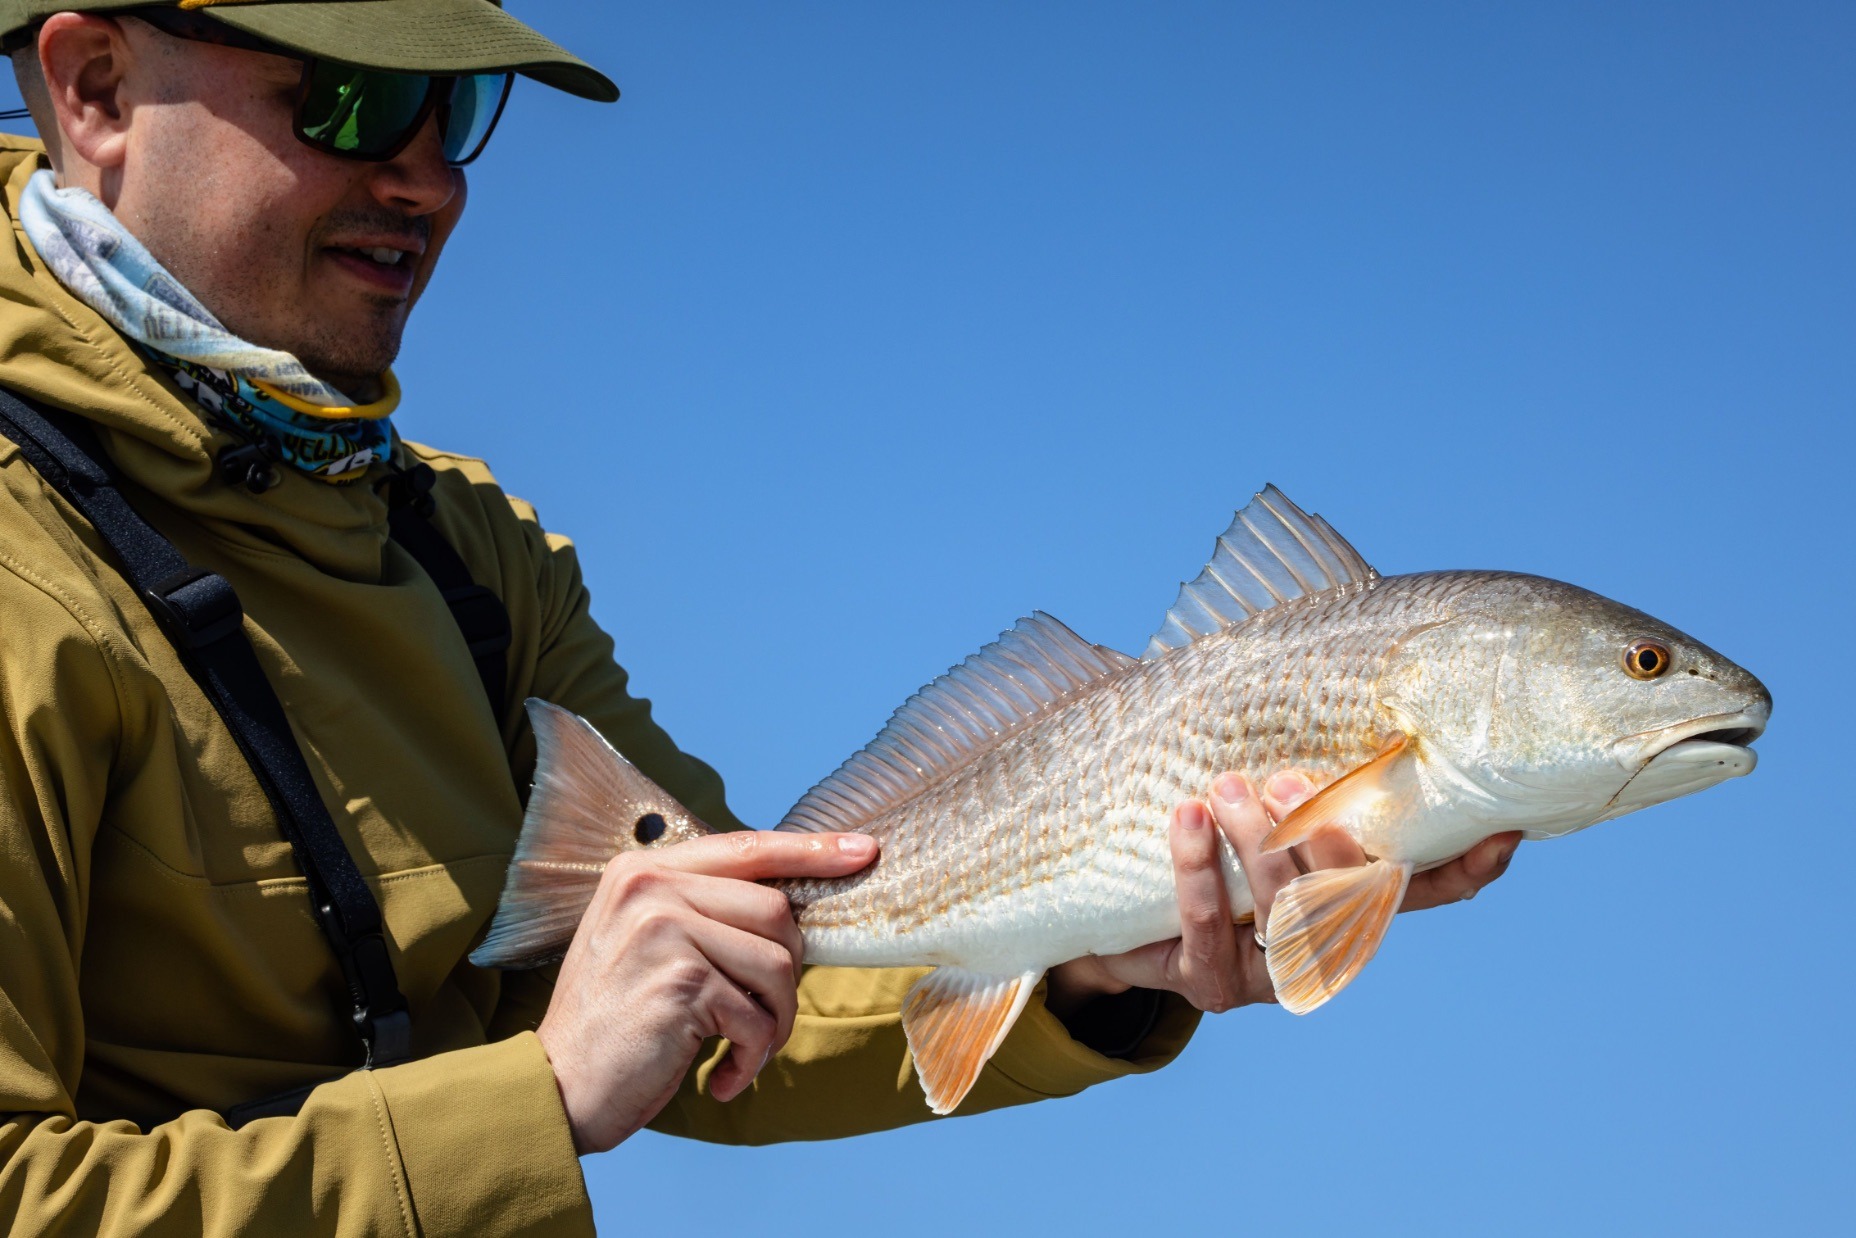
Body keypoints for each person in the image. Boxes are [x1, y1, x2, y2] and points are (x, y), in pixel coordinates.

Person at [0, 3, 1519, 1234]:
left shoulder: (470, 551)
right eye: (349, 96)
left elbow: (743, 976)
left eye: (454, 109)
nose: (427, 175)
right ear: (99, 89)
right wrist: (531, 1106)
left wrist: (1094, 955)